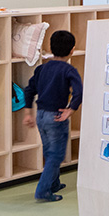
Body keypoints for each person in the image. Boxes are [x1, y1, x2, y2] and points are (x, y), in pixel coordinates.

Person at [22, 31, 83, 202]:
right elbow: (79, 92)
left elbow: (29, 90)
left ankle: (54, 183)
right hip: (56, 117)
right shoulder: (69, 70)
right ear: (72, 50)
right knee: (56, 155)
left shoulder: (42, 68)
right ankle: (43, 191)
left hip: (41, 116)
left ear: (50, 48)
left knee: (50, 152)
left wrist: (28, 113)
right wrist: (70, 110)